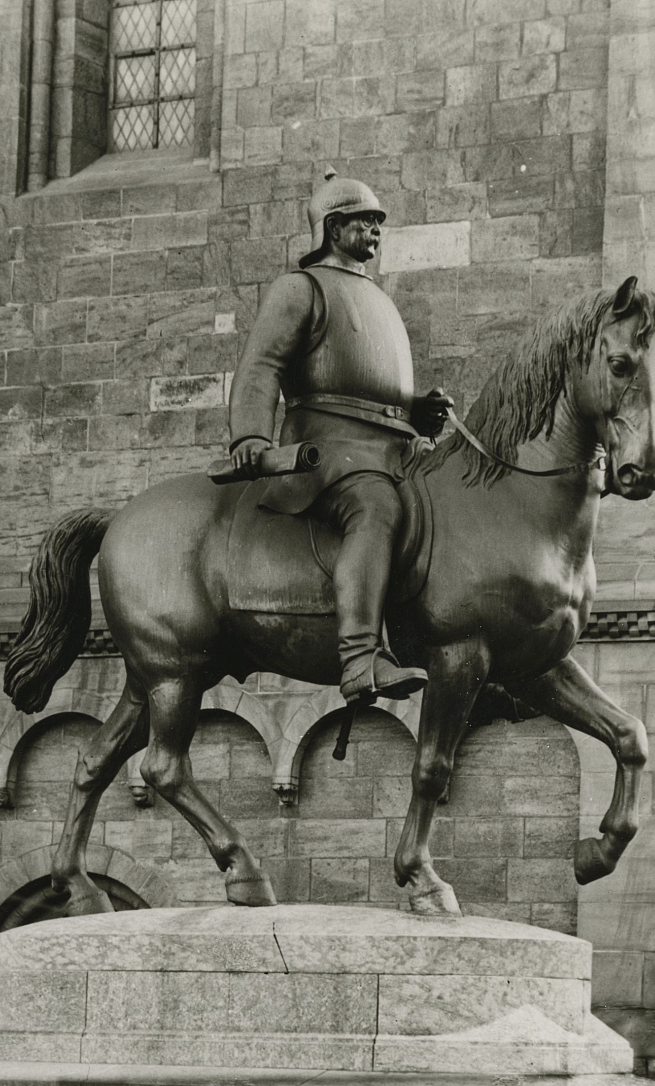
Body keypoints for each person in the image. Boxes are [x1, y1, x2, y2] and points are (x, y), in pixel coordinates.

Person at [226, 169, 453, 702]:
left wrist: (418, 411)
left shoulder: (376, 295)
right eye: (365, 221)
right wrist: (249, 438)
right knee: (376, 508)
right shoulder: (299, 288)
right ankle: (360, 659)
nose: (377, 230)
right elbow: (260, 369)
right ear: (332, 227)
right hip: (326, 453)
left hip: (393, 447)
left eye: (378, 223)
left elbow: (369, 386)